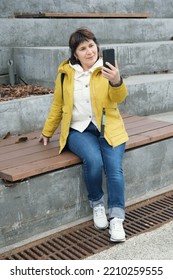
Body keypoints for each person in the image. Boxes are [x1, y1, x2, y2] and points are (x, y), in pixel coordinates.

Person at [39, 27, 129, 242]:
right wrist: (47, 130)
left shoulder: (107, 69)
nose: (89, 51)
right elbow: (58, 104)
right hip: (79, 130)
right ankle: (97, 203)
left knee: (114, 170)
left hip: (109, 128)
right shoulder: (65, 75)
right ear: (75, 53)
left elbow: (119, 98)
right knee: (94, 161)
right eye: (82, 48)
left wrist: (116, 81)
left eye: (91, 45)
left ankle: (116, 218)